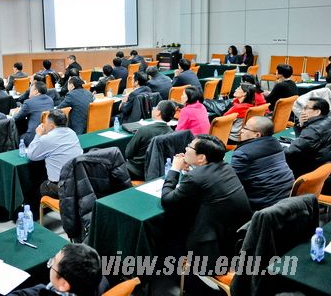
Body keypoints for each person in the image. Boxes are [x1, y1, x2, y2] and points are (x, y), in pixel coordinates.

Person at [161, 135, 252, 272]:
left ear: (202, 158)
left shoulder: (195, 177)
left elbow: (167, 201)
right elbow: (204, 184)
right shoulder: (226, 166)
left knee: (168, 229)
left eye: (190, 146)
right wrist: (190, 169)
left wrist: (174, 169)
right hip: (235, 239)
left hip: (209, 247)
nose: (186, 148)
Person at [231, 116, 294, 211]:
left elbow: (232, 182)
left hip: (263, 205)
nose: (241, 131)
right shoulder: (276, 144)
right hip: (287, 197)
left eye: (245, 128)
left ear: (257, 135)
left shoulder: (242, 154)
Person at [26, 109, 83, 198]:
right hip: (78, 182)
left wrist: (38, 135)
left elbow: (31, 155)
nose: (43, 125)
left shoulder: (47, 139)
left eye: (45, 123)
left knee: (38, 186)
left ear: (51, 126)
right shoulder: (72, 133)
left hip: (60, 187)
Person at [9, 244, 103, 296]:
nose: (51, 264)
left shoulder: (40, 292)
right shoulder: (102, 283)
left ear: (64, 285)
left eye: (53, 263)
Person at [125, 100, 176, 180]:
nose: (153, 109)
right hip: (158, 171)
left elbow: (128, 153)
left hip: (137, 171)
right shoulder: (172, 133)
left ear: (158, 112)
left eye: (155, 107)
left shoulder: (144, 130)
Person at [285, 97, 331, 179]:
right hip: (325, 164)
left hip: (311, 169)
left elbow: (291, 151)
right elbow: (303, 141)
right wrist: (301, 125)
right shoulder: (328, 121)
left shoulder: (313, 130)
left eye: (306, 108)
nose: (303, 111)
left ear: (317, 112)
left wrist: (280, 149)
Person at [14, 81, 54, 146]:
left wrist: (14, 112)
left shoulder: (29, 102)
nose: (29, 92)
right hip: (48, 135)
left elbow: (17, 118)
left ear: (36, 91)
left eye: (30, 90)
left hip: (33, 137)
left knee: (18, 137)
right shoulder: (50, 100)